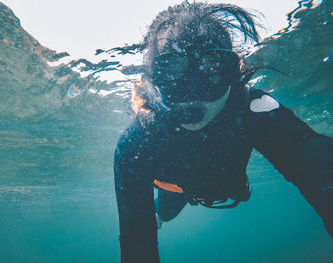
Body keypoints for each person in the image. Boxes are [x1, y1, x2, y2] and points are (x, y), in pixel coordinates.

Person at [113, 2, 333, 262]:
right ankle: (160, 213)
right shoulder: (134, 143)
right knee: (166, 212)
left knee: (229, 190)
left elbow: (313, 155)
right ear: (154, 81)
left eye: (214, 68)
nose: (193, 91)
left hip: (224, 184)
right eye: (173, 71)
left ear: (233, 73)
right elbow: (137, 238)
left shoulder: (251, 109)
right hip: (176, 187)